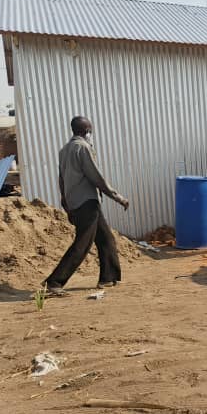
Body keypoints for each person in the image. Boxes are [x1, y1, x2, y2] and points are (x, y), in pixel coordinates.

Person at [44, 116, 130, 295]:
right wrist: (118, 197)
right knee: (82, 244)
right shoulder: (82, 147)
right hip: (87, 203)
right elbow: (96, 177)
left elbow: (61, 178)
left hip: (76, 202)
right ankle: (55, 282)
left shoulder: (64, 150)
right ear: (87, 131)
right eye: (90, 130)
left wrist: (65, 202)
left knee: (106, 238)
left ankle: (108, 277)